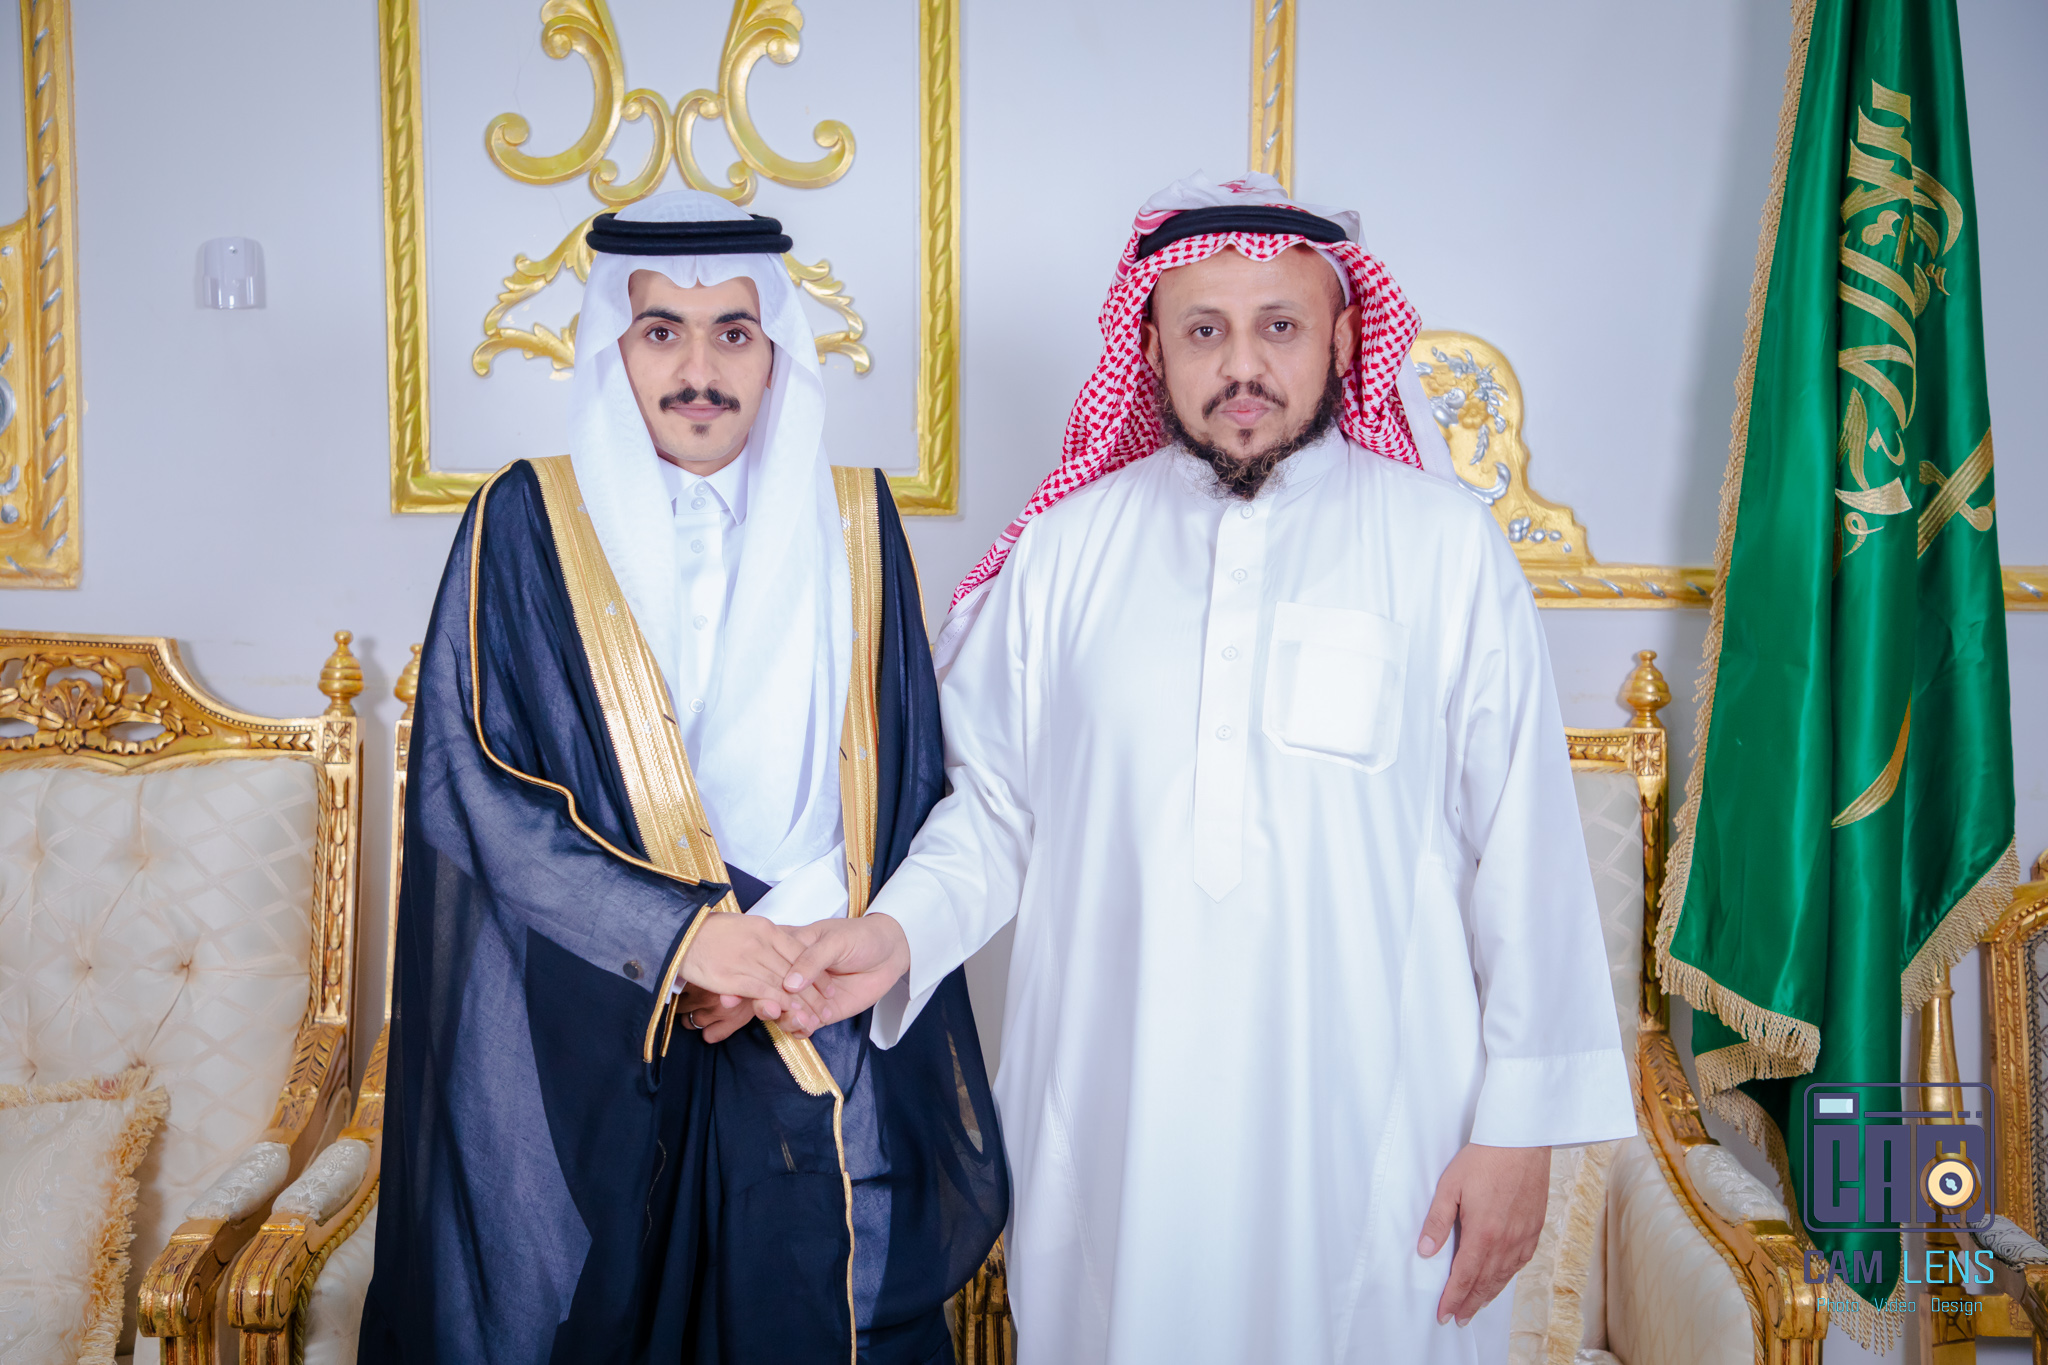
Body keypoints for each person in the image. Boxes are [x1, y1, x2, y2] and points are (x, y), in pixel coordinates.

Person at [772, 173, 1635, 1364]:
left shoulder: (1444, 549)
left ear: (1341, 339)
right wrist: (895, 932)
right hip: (1119, 1129)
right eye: (1203, 331)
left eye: (1278, 326)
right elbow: (992, 814)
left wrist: (1518, 1134)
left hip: (1384, 1137)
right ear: (1151, 350)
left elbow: (1524, 854)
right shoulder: (1065, 555)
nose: (1242, 366)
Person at [360, 191, 1006, 1365]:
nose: (698, 371)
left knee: (827, 1304)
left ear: (775, 352)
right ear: (615, 345)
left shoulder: (857, 522)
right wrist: (680, 942)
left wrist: (782, 958)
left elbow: (903, 778)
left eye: (732, 333)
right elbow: (475, 783)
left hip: (812, 1000)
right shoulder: (525, 519)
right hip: (607, 1013)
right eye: (661, 331)